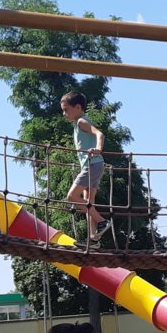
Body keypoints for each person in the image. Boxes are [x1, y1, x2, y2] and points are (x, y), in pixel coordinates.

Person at [60, 91, 111, 249]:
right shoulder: (78, 123)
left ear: (77, 107)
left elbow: (99, 134)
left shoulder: (82, 121)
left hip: (92, 164)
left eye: (66, 110)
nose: (64, 114)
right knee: (89, 202)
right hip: (95, 165)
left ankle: (102, 221)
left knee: (72, 196)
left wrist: (98, 148)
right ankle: (93, 239)